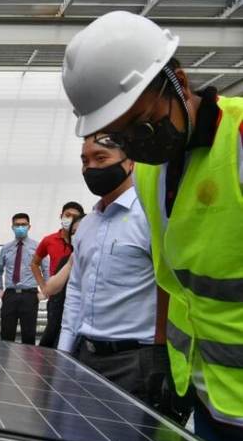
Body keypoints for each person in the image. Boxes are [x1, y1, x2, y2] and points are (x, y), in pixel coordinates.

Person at [62, 12, 241, 441]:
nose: (138, 141)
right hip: (203, 392)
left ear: (176, 81)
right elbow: (170, 279)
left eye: (140, 123)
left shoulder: (237, 139)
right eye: (120, 134)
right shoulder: (148, 171)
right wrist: (163, 355)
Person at [58, 135, 189, 425]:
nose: (90, 168)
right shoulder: (87, 225)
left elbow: (172, 287)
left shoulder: (153, 217)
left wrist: (161, 355)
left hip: (137, 363)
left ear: (130, 162)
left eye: (100, 158)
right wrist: (64, 352)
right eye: (84, 160)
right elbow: (76, 290)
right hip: (85, 357)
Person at [0, 213, 49, 344]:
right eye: (17, 225)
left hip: (30, 295)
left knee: (29, 337)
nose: (20, 227)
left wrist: (45, 292)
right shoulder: (6, 248)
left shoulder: (37, 247)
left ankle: (27, 363)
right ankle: (4, 363)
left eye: (23, 224)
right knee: (6, 336)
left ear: (29, 226)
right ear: (12, 227)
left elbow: (46, 269)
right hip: (10, 295)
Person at [38, 214, 83, 349]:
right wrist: (70, 263)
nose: (77, 236)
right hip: (62, 318)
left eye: (80, 232)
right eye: (73, 233)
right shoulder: (67, 260)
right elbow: (50, 288)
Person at [30, 201, 83, 296]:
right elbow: (34, 263)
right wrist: (43, 286)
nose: (70, 219)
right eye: (67, 215)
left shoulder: (84, 240)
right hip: (56, 292)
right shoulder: (49, 240)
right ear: (61, 216)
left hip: (78, 291)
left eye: (74, 217)